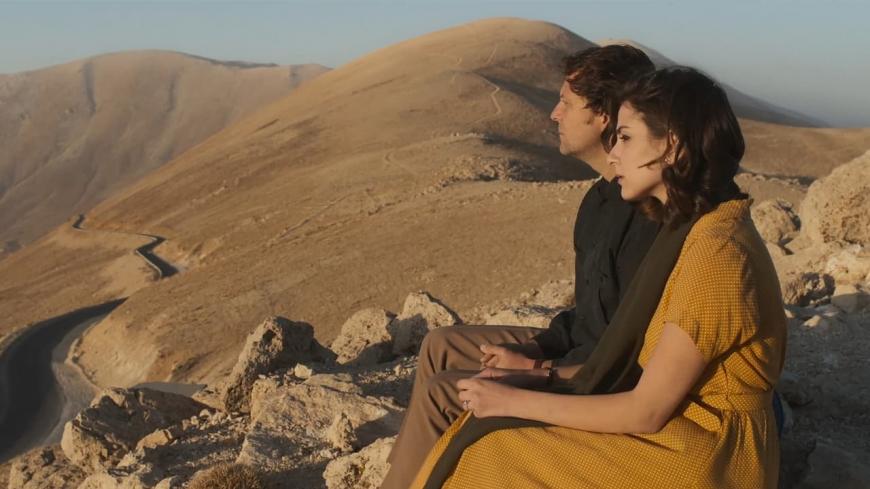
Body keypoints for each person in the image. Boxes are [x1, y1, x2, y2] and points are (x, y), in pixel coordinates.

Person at [410, 66, 787, 489]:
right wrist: (533, 379)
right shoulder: (696, 230)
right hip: (687, 428)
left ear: (673, 145)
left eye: (625, 137)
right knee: (490, 431)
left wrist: (514, 398)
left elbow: (646, 410)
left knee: (496, 448)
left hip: (707, 453)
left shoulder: (717, 253)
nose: (613, 154)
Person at [380, 45, 659, 489]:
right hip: (575, 351)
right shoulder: (599, 200)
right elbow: (588, 315)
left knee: (442, 392)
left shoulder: (646, 214)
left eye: (566, 103)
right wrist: (535, 347)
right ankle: (419, 472)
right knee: (439, 346)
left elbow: (623, 353)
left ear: (603, 117)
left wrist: (535, 368)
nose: (553, 114)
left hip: (593, 376)